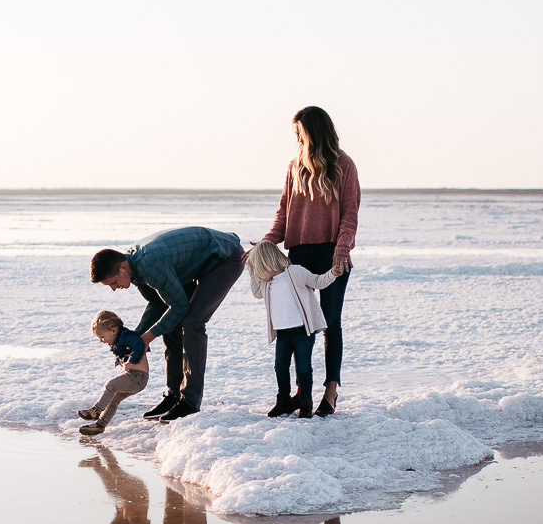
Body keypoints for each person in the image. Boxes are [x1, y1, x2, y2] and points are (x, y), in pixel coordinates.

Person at [89, 226, 245, 423]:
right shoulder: (134, 269)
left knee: (191, 322)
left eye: (112, 282)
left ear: (123, 268)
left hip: (224, 258)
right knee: (170, 323)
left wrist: (147, 337)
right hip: (192, 264)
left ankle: (189, 402)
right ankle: (174, 396)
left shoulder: (149, 266)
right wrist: (137, 335)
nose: (113, 289)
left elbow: (179, 306)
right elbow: (158, 304)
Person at [261, 106, 359, 416]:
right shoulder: (294, 168)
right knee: (300, 324)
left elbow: (349, 214)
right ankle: (301, 393)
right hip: (299, 255)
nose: (296, 139)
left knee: (330, 323)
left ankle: (330, 391)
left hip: (332, 255)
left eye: (299, 133)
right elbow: (283, 213)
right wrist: (267, 242)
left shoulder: (344, 165)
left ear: (313, 132)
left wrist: (342, 250)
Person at [246, 240, 344, 418]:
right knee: (280, 367)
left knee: (304, 369)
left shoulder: (295, 272)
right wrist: (250, 270)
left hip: (302, 332)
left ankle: (306, 403)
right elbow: (256, 293)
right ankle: (283, 400)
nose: (257, 270)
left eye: (257, 265)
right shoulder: (267, 282)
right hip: (283, 334)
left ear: (267, 260)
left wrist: (333, 273)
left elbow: (318, 281)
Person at [76, 310, 148, 436]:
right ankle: (100, 425)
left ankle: (96, 410)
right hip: (133, 377)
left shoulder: (127, 336)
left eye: (102, 337)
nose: (101, 341)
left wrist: (132, 361)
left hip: (137, 377)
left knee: (110, 385)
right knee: (113, 401)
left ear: (113, 330)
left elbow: (140, 344)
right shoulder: (119, 339)